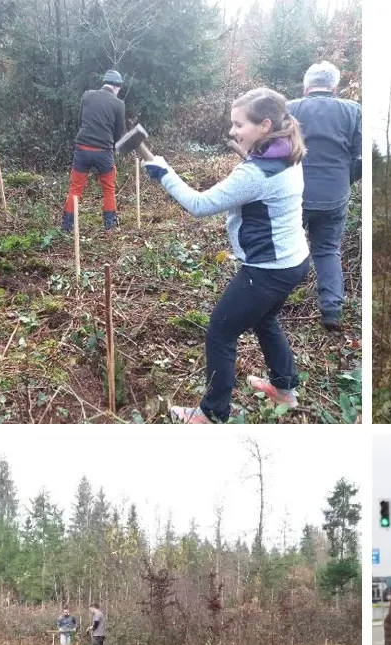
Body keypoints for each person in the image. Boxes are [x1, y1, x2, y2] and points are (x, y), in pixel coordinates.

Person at [142, 87, 309, 424]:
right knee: (264, 320)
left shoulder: (256, 173)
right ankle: (285, 389)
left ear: (264, 125)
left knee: (220, 332)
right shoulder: (288, 152)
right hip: (295, 262)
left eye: (238, 124)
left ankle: (211, 413)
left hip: (266, 271)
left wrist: (164, 173)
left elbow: (200, 205)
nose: (232, 131)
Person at [288, 61, 362, 331]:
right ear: (335, 87)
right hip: (335, 194)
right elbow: (360, 157)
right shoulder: (353, 110)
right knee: (328, 250)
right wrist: (346, 179)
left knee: (287, 246)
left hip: (295, 193)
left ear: (306, 87)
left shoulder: (291, 108)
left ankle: (272, 301)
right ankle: (331, 310)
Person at [61, 70, 127, 232]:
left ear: (104, 83)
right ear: (117, 86)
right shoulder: (118, 104)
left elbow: (80, 120)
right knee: (109, 188)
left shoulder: (87, 96)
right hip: (104, 152)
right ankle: (110, 225)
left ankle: (67, 225)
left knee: (75, 188)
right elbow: (119, 133)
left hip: (82, 149)